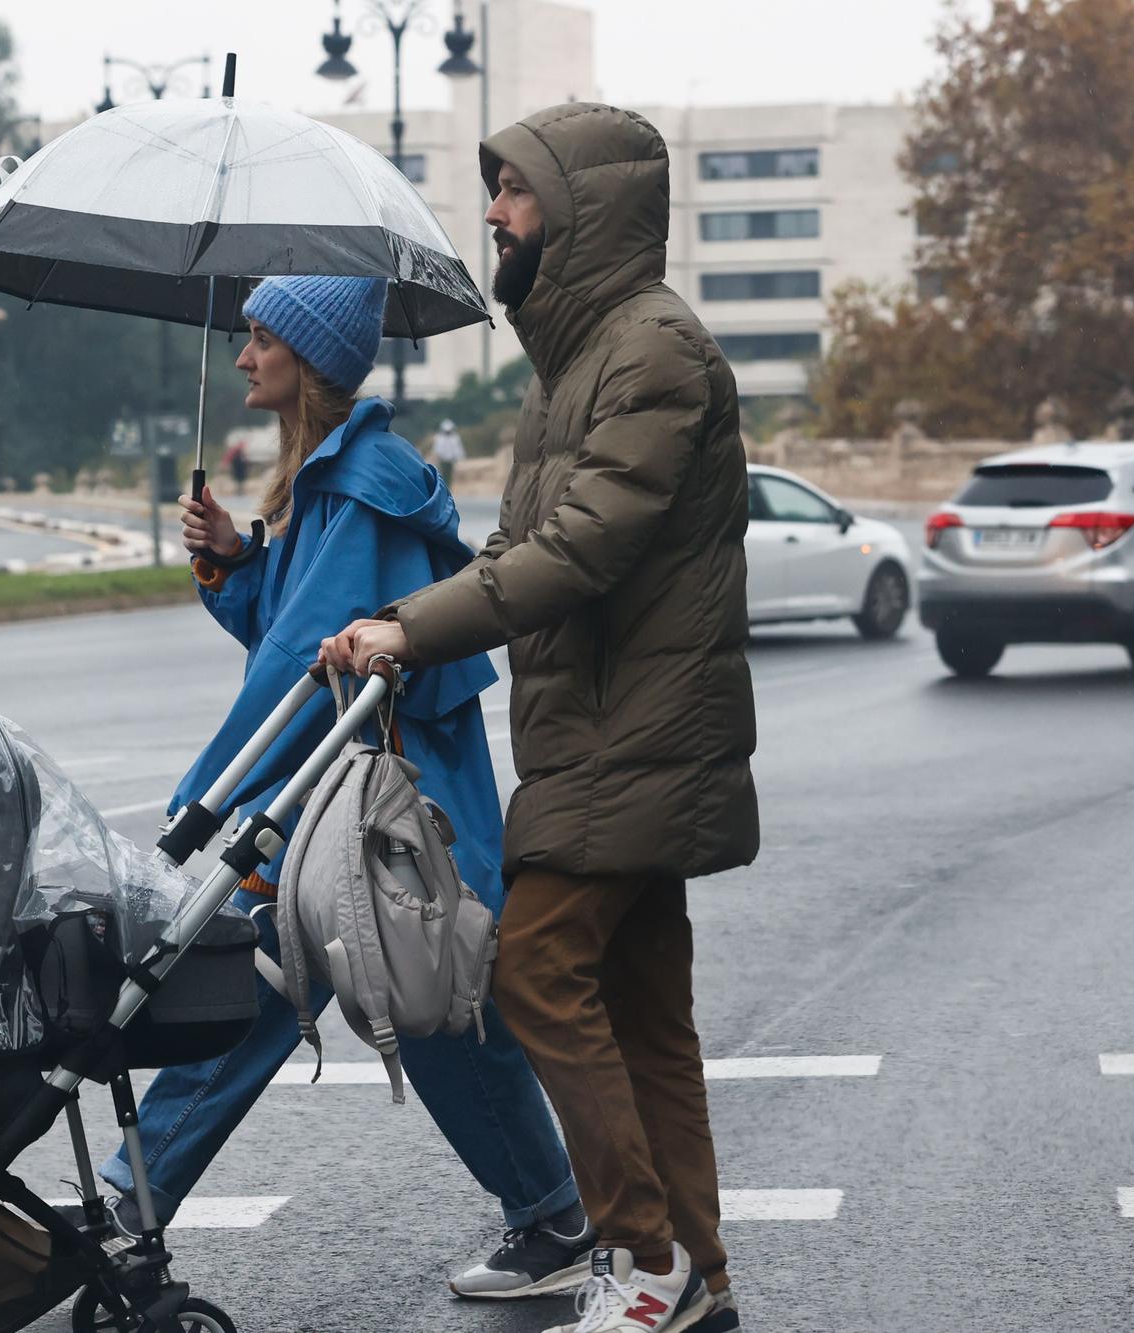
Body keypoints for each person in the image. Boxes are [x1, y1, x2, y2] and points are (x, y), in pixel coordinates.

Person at [320, 105, 758, 1333]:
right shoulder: (579, 362)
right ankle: (694, 1274)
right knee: (640, 1012)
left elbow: (578, 548)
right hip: (598, 731)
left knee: (533, 968)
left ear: (579, 208)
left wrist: (411, 629)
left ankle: (641, 1254)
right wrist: (406, 614)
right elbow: (521, 546)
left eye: (513, 191)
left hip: (636, 731)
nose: (495, 213)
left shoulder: (651, 352)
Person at [100, 273, 595, 1301]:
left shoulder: (360, 482)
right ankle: (546, 1215)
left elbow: (298, 664)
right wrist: (233, 563)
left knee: (402, 1001)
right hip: (356, 798)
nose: (241, 358)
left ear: (307, 357)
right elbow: (285, 630)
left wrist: (202, 802)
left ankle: (123, 1205)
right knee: (413, 1002)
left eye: (258, 338)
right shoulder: (329, 481)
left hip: (378, 801)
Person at [431, 417, 466, 487]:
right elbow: (437, 449)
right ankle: (444, 487)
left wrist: (460, 458)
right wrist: (436, 458)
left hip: (450, 460)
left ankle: (448, 487)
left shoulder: (455, 438)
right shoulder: (440, 438)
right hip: (443, 460)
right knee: (442, 475)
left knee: (449, 475)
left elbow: (458, 449)